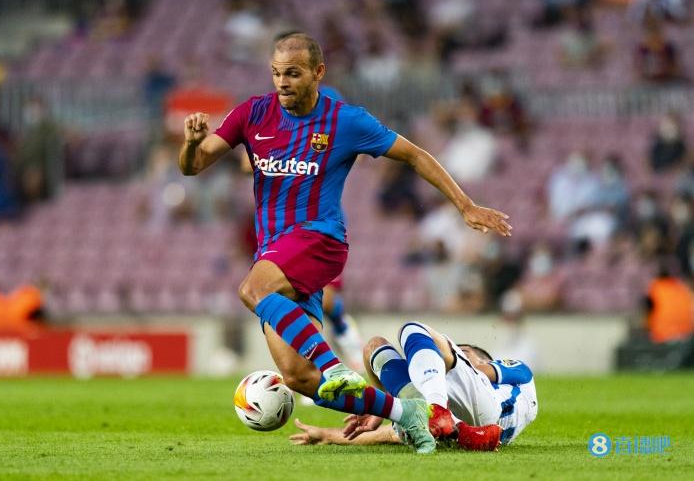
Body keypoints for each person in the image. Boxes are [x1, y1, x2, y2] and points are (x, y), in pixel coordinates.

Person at [178, 32, 511, 454]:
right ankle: (408, 413)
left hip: (319, 239)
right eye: (277, 73)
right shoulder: (253, 113)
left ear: (318, 72)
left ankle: (335, 365)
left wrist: (465, 205)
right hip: (275, 251)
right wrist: (191, 144)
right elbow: (193, 166)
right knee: (300, 378)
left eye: (293, 73)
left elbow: (414, 154)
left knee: (252, 289)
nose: (282, 82)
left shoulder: (346, 121)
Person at [291, 322, 538, 451]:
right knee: (375, 346)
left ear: (483, 360)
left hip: (486, 410)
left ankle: (441, 411)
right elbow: (384, 436)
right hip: (465, 426)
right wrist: (383, 407)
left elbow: (482, 370)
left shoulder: (513, 373)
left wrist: (454, 359)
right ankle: (459, 429)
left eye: (464, 353)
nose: (455, 356)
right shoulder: (435, 410)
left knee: (412, 329)